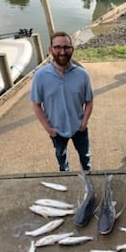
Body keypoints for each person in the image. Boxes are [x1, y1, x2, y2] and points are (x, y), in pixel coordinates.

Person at [30, 31, 93, 171]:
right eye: (57, 47)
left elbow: (89, 101)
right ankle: (65, 176)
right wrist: (49, 129)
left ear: (72, 49)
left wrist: (84, 123)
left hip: (79, 128)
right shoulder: (40, 76)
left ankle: (88, 176)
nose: (62, 51)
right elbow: (36, 104)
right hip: (56, 129)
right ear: (50, 50)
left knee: (85, 156)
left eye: (66, 47)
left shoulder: (82, 74)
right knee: (61, 156)